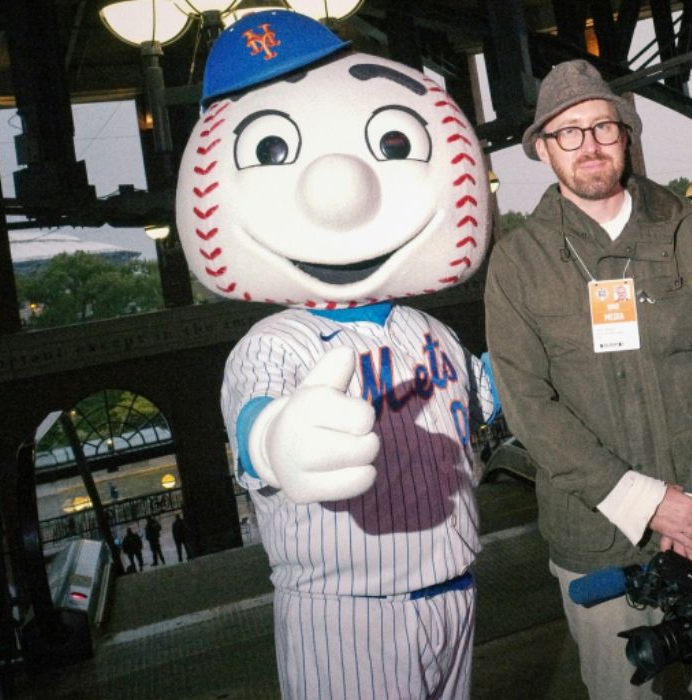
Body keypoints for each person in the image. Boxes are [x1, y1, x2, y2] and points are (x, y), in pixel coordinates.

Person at [178, 11, 497, 698]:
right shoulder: (273, 343)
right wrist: (278, 438)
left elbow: (485, 396)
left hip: (455, 591)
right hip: (347, 615)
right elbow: (256, 425)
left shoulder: (431, 331)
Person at [484, 59, 692, 699]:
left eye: (603, 127)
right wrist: (652, 504)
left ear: (626, 134)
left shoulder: (685, 230)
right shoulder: (518, 262)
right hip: (597, 538)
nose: (590, 146)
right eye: (568, 132)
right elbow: (528, 406)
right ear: (544, 150)